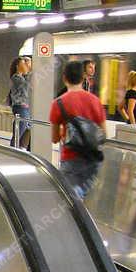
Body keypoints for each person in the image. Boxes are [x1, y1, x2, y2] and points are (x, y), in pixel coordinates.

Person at [50, 60, 107, 199]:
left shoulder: (58, 103)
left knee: (70, 201)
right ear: (83, 78)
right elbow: (104, 133)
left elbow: (55, 138)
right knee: (89, 200)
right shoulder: (95, 101)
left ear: (64, 78)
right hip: (93, 159)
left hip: (70, 159)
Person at [9, 57, 32, 149]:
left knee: (25, 131)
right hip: (20, 107)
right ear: (18, 66)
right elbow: (27, 86)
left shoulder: (22, 77)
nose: (26, 65)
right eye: (24, 63)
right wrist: (28, 71)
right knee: (19, 133)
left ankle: (19, 150)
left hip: (24, 108)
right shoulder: (16, 77)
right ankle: (12, 152)